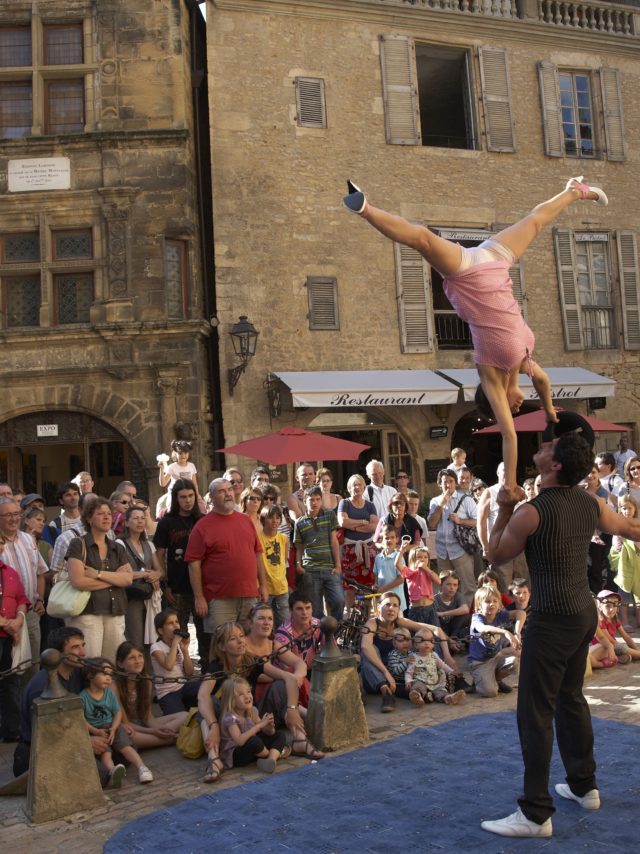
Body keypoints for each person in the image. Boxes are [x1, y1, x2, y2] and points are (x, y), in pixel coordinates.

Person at [343, 180, 611, 493]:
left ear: (494, 396)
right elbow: (543, 382)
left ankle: (364, 208)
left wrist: (509, 487)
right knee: (536, 221)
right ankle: (575, 190)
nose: (515, 407)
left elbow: (510, 437)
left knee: (422, 239)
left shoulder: (488, 369)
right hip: (495, 262)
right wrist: (550, 410)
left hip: (467, 271)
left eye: (510, 409)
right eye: (513, 408)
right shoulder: (523, 362)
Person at [481, 415, 640, 839]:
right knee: (570, 699)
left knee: (536, 714)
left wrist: (503, 507)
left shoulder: (531, 512)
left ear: (553, 467)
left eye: (550, 447)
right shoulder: (588, 502)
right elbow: (630, 528)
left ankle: (535, 814)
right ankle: (584, 786)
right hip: (581, 613)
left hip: (551, 621)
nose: (545, 445)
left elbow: (494, 555)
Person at [197, 621, 322, 783]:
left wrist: (292, 709)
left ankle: (299, 740)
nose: (241, 641)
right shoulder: (216, 667)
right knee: (207, 706)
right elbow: (202, 696)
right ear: (222, 647)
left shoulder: (253, 661)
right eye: (233, 639)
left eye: (241, 636)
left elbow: (289, 679)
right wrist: (213, 725)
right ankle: (214, 759)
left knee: (278, 687)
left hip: (252, 718)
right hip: (228, 724)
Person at [13, 626, 113, 783]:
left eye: (83, 646)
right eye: (75, 647)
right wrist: (85, 743)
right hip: (38, 752)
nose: (83, 653)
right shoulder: (41, 687)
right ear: (57, 653)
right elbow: (47, 736)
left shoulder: (75, 672)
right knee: (100, 776)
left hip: (70, 739)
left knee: (120, 749)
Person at [186, 478, 267, 638]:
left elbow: (258, 554)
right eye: (221, 491)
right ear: (211, 496)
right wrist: (199, 597)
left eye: (229, 489)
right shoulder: (202, 526)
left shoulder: (245, 520)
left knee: (247, 644)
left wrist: (263, 585)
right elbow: (193, 564)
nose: (228, 494)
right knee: (221, 646)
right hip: (219, 599)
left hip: (249, 595)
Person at [359, 591, 455, 712]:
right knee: (369, 649)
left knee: (425, 642)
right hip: (376, 678)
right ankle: (386, 694)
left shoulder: (399, 622)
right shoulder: (372, 624)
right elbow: (365, 647)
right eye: (387, 605)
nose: (391, 609)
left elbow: (436, 630)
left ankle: (440, 679)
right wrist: (386, 674)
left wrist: (447, 655)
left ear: (399, 609)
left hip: (400, 675)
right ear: (379, 607)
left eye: (395, 605)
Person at [65, 497, 133, 661]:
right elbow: (78, 582)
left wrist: (98, 574)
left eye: (109, 513)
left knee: (113, 665)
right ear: (89, 518)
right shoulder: (78, 544)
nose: (106, 517)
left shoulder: (117, 547)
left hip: (115, 612)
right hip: (88, 614)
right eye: (100, 513)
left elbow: (128, 580)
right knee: (90, 664)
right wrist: (114, 578)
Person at [153, 479, 209, 668]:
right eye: (183, 497)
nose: (188, 500)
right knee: (177, 632)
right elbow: (159, 555)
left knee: (205, 632)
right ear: (176, 499)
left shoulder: (203, 520)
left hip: (202, 587)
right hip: (176, 587)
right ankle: (179, 671)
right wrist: (164, 584)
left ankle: (207, 669)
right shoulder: (166, 523)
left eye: (191, 496)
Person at [79, 656, 154, 786]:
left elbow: (117, 712)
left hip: (112, 727)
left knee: (126, 746)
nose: (108, 678)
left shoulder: (109, 693)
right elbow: (80, 719)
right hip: (96, 731)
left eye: (110, 675)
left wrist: (114, 728)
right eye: (104, 674)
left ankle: (142, 768)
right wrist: (94, 731)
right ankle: (112, 772)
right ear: (90, 675)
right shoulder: (83, 697)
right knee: (105, 754)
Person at [0, 496, 48, 677]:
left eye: (16, 514)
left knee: (32, 665)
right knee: (8, 669)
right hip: (4, 620)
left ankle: (29, 703)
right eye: (7, 515)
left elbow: (41, 572)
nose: (13, 519)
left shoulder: (28, 539)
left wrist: (40, 599)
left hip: (30, 613)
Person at [113, 641, 186, 748]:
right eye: (132, 658)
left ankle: (164, 738)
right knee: (130, 736)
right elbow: (125, 723)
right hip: (127, 727)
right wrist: (153, 731)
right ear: (120, 664)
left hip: (142, 724)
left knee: (184, 715)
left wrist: (160, 729)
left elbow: (148, 717)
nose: (138, 661)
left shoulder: (146, 681)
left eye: (140, 656)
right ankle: (171, 739)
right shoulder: (114, 686)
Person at [218, 676, 289, 773]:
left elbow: (268, 733)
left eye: (248, 692)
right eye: (241, 694)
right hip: (237, 754)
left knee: (279, 735)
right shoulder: (230, 718)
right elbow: (240, 741)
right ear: (232, 700)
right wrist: (259, 726)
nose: (247, 696)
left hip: (254, 751)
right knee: (254, 741)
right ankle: (276, 754)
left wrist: (269, 726)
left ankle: (271, 760)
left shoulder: (252, 711)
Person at [477, 462, 529, 593]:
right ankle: (504, 613)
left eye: (510, 471)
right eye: (503, 471)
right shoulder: (489, 492)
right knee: (503, 585)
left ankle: (522, 612)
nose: (507, 474)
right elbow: (481, 522)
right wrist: (485, 547)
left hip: (520, 547)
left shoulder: (520, 492)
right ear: (498, 473)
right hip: (500, 547)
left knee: (522, 583)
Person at [427, 469, 477, 604]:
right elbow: (432, 524)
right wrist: (441, 504)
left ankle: (467, 615)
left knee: (468, 585)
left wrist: (461, 521)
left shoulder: (466, 499)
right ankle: (448, 614)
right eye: (444, 482)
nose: (448, 485)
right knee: (445, 586)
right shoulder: (435, 501)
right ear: (439, 484)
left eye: (451, 481)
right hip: (443, 551)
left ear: (456, 484)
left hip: (461, 549)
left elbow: (477, 521)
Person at [294, 485, 343, 620]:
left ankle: (335, 631)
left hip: (329, 568)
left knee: (339, 600)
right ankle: (320, 637)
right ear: (305, 501)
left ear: (321, 500)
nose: (314, 502)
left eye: (317, 499)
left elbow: (334, 540)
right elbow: (299, 547)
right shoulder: (299, 523)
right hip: (310, 570)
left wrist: (338, 564)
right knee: (315, 611)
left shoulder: (329, 515)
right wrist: (298, 565)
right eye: (311, 500)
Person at [468, 584, 524, 698]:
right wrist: (505, 632)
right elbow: (483, 629)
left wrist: (517, 632)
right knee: (491, 693)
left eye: (495, 601)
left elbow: (521, 613)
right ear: (479, 605)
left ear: (499, 604)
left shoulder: (500, 615)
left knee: (514, 661)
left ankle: (496, 679)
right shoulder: (477, 618)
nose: (492, 604)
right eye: (487, 601)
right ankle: (480, 680)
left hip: (496, 657)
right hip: (480, 662)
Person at [0, 531, 29, 743]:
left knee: (10, 682)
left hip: (9, 636)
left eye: (1, 543)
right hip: (7, 631)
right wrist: (7, 625)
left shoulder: (9, 571)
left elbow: (21, 597)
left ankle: (12, 729)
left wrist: (18, 620)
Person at [337, 474, 378, 609]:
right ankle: (349, 615)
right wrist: (361, 522)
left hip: (368, 549)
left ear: (364, 487)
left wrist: (352, 525)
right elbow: (342, 522)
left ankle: (366, 614)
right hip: (350, 551)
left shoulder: (370, 505)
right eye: (354, 484)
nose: (357, 487)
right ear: (349, 488)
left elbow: (373, 526)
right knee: (350, 587)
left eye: (360, 484)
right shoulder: (345, 503)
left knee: (368, 585)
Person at [149, 608, 197, 714]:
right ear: (161, 630)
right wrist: (175, 644)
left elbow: (189, 673)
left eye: (176, 622)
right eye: (170, 623)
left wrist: (185, 650)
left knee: (207, 688)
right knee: (180, 718)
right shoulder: (156, 647)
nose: (175, 626)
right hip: (167, 693)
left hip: (183, 687)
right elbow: (169, 666)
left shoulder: (179, 646)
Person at [405, 629, 464, 706]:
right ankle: (418, 697)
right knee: (417, 686)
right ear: (416, 645)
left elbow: (442, 665)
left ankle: (448, 698)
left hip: (435, 682)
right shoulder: (414, 657)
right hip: (421, 680)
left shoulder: (434, 655)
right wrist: (408, 681)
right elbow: (409, 672)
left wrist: (452, 671)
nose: (426, 643)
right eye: (422, 641)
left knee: (440, 690)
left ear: (433, 644)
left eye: (429, 641)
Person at [609, 495, 640, 629]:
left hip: (637, 562)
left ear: (635, 509)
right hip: (624, 564)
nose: (626, 511)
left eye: (629, 508)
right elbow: (616, 543)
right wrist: (622, 549)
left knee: (639, 594)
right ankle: (625, 622)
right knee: (624, 595)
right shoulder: (619, 524)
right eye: (623, 508)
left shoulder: (637, 523)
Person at [258, 505, 290, 628]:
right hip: (265, 588)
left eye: (278, 518)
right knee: (264, 625)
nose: (275, 521)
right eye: (271, 518)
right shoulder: (257, 537)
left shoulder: (284, 538)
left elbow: (284, 561)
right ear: (263, 519)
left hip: (281, 587)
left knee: (284, 626)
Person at [592, 589, 640, 662]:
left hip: (613, 646)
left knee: (624, 647)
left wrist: (636, 648)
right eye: (608, 606)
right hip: (603, 647)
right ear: (600, 607)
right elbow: (609, 641)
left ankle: (624, 656)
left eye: (615, 605)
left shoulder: (615, 620)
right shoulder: (600, 621)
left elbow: (626, 636)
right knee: (622, 648)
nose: (612, 609)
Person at [372, 526, 407, 613]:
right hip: (383, 600)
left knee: (398, 623)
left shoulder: (399, 558)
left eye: (392, 537)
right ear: (381, 540)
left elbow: (401, 579)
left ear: (397, 539)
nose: (389, 540)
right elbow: (376, 575)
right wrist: (375, 585)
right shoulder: (378, 557)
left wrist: (384, 589)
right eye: (386, 538)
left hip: (396, 600)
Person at [434, 571, 470, 654]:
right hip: (441, 630)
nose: (452, 588)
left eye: (455, 585)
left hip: (454, 629)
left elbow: (465, 609)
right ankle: (450, 643)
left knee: (465, 616)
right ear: (440, 585)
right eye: (448, 584)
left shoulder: (458, 596)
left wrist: (443, 613)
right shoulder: (435, 599)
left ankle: (453, 641)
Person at [404, 545, 441, 626]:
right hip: (416, 610)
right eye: (419, 557)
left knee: (435, 634)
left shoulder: (429, 572)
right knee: (417, 635)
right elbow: (397, 565)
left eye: (425, 557)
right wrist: (401, 551)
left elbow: (439, 581)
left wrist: (426, 568)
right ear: (412, 559)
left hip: (430, 608)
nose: (423, 559)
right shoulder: (410, 572)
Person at [42, 481, 81, 546]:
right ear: (61, 501)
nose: (73, 498)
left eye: (75, 494)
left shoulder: (88, 519)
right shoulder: (55, 524)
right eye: (68, 495)